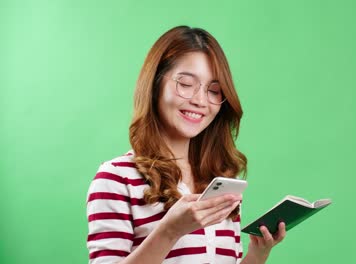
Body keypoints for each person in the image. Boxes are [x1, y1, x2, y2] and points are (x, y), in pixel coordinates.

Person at [86, 25, 286, 264]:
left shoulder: (219, 182)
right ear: (156, 84)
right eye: (186, 83)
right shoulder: (116, 178)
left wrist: (258, 253)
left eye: (214, 90)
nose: (200, 100)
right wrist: (169, 231)